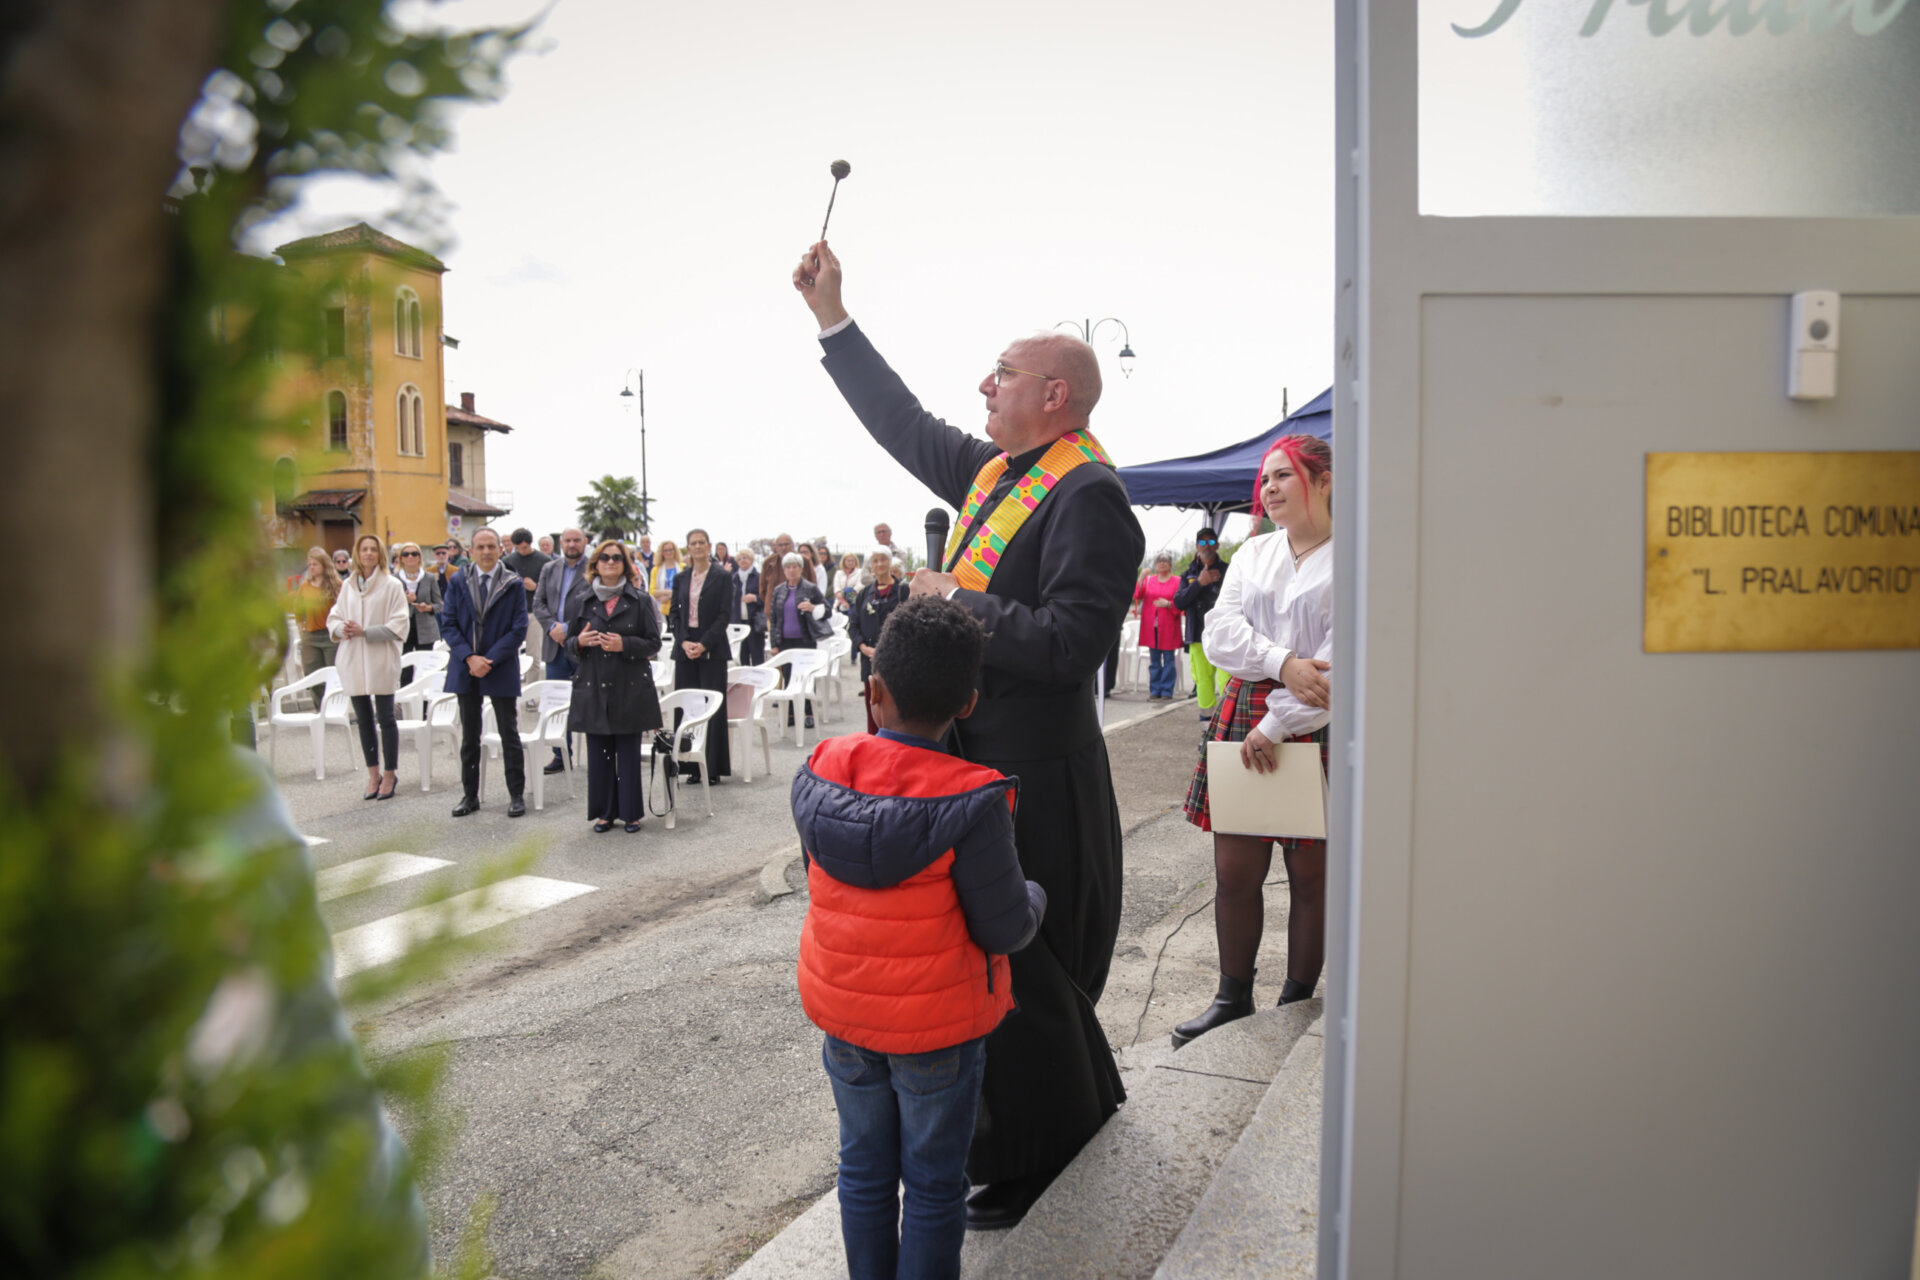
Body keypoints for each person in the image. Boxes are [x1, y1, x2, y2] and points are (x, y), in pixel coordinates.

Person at [794, 238, 1144, 1227]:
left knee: (1030, 974)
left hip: (1039, 770)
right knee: (994, 973)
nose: (983, 385)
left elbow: (1075, 645)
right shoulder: (997, 470)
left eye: (1004, 373)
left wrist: (962, 599)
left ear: (1057, 399)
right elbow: (902, 423)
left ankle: (1045, 1150)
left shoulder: (1091, 496)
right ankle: (1055, 1123)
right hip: (975, 766)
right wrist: (833, 317)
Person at [792, 596, 1046, 1280]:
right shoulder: (972, 800)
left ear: (874, 693)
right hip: (937, 1030)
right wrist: (1036, 897)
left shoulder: (821, 768)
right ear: (969, 703)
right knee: (935, 1184)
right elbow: (1005, 926)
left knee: (863, 1169)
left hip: (846, 1018)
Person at [1173, 435, 1333, 1048]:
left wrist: (1277, 721)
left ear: (1322, 480)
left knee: (1310, 876)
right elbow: (1219, 634)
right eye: (1264, 480)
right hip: (1246, 709)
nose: (1267, 490)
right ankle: (1231, 997)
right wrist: (1283, 660)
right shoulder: (1253, 552)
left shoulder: (1355, 555)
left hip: (1312, 722)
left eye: (1282, 476)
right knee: (1234, 870)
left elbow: (1341, 663)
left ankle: (1297, 1005)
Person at [567, 539, 663, 833]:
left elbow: (653, 643)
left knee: (628, 754)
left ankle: (631, 813)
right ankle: (604, 813)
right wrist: (579, 643)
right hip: (594, 686)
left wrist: (625, 644)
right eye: (604, 558)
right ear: (595, 564)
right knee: (600, 755)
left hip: (629, 687)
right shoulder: (582, 601)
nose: (610, 562)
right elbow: (570, 644)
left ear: (625, 564)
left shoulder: (640, 600)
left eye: (616, 558)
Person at [439, 526, 528, 818]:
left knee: (508, 732)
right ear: (471, 551)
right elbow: (448, 624)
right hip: (466, 666)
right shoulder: (457, 581)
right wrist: (469, 657)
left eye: (491, 546)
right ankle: (470, 795)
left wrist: (488, 660)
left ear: (499, 550)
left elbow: (518, 629)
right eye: (481, 547)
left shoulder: (512, 583)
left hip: (498, 665)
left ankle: (516, 794)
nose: (487, 552)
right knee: (470, 735)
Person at [328, 534, 410, 801]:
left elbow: (399, 624)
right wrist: (343, 629)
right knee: (363, 719)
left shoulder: (392, 585)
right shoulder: (348, 586)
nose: (368, 554)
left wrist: (366, 632)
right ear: (357, 553)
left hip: (380, 658)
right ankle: (372, 773)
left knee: (385, 718)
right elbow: (334, 617)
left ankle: (389, 773)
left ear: (381, 554)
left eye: (373, 549)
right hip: (353, 658)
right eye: (364, 549)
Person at [669, 528, 733, 784]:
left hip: (712, 647)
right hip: (685, 647)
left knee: (711, 707)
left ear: (709, 546)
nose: (697, 547)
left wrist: (704, 644)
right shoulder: (681, 578)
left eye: (701, 543)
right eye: (693, 543)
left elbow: (724, 614)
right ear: (688, 548)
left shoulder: (722, 576)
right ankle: (689, 765)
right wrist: (683, 640)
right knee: (688, 708)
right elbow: (673, 613)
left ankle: (713, 766)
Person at [532, 527, 593, 774]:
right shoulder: (549, 568)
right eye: (567, 540)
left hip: (581, 645)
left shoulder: (594, 568)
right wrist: (552, 627)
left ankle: (597, 755)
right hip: (554, 648)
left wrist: (568, 628)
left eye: (576, 540)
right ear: (561, 543)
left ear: (585, 542)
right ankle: (561, 755)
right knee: (556, 703)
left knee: (589, 703)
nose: (571, 544)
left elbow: (594, 604)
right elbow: (538, 602)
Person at [769, 551, 828, 730]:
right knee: (787, 678)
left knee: (806, 679)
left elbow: (827, 609)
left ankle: (809, 713)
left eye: (795, 566)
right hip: (785, 642)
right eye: (788, 567)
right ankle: (792, 714)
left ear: (801, 569)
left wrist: (812, 607)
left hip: (805, 640)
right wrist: (774, 644)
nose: (791, 570)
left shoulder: (810, 588)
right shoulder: (779, 590)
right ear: (784, 570)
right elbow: (774, 618)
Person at [848, 547, 904, 734]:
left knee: (896, 709)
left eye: (883, 560)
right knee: (873, 706)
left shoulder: (902, 592)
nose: (879, 564)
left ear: (890, 562)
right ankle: (873, 745)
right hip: (869, 661)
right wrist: (863, 647)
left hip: (895, 662)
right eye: (875, 561)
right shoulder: (865, 594)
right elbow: (853, 625)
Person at [1173, 527, 1226, 720]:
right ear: (1197, 546)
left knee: (1226, 680)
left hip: (1224, 636)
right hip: (1197, 636)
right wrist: (1199, 583)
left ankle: (1228, 725)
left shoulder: (1228, 570)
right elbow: (1179, 602)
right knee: (1203, 682)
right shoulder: (1189, 573)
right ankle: (1207, 727)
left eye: (1211, 542)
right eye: (1202, 542)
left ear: (1217, 546)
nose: (1207, 546)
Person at [1132, 553, 1184, 700]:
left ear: (1170, 564)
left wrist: (1168, 604)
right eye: (1159, 561)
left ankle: (1167, 691)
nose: (1162, 564)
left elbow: (1182, 602)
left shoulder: (1177, 581)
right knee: (1154, 661)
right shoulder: (1149, 580)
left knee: (1169, 660)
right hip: (1151, 627)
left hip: (1168, 626)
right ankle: (1155, 690)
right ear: (1155, 564)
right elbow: (1137, 595)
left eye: (1166, 561)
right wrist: (1141, 577)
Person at [290, 546, 340, 692]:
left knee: (333, 676)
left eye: (315, 564)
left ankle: (333, 709)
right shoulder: (305, 586)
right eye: (310, 564)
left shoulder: (336, 585)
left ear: (324, 565)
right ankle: (319, 709)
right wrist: (302, 631)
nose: (311, 567)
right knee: (313, 677)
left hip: (330, 635)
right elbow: (298, 611)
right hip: (311, 636)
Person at [391, 542, 441, 654]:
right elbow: (388, 606)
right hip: (402, 628)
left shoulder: (429, 578)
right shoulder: (393, 579)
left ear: (419, 557)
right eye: (406, 554)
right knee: (405, 668)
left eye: (414, 554)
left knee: (425, 666)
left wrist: (427, 608)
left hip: (426, 630)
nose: (410, 556)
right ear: (401, 559)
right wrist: (405, 600)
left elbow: (439, 605)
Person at [739, 551, 768, 668]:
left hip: (754, 621)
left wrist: (755, 598)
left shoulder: (759, 577)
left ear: (751, 560)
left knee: (757, 656)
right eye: (740, 559)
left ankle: (758, 683)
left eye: (745, 558)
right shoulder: (734, 577)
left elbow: (766, 597)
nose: (742, 560)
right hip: (740, 622)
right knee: (742, 656)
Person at [649, 538, 680, 618]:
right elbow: (652, 591)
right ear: (661, 553)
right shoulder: (656, 570)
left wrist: (668, 596)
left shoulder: (683, 567)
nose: (668, 552)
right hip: (661, 609)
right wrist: (674, 592)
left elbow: (685, 590)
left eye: (670, 549)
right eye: (665, 550)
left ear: (675, 551)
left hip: (679, 608)